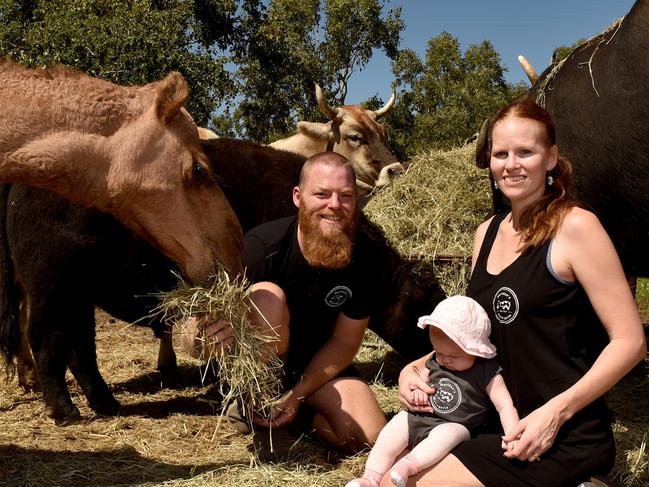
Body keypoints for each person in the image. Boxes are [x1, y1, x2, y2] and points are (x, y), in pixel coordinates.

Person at [390, 97, 646, 487]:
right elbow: (479, 332)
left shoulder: (577, 227)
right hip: (491, 419)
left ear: (551, 157)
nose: (511, 164)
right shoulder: (485, 233)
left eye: (526, 151)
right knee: (392, 469)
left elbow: (629, 342)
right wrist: (417, 367)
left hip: (560, 434)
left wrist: (555, 414)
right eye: (501, 153)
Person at [236, 151, 386, 454]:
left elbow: (345, 341)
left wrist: (298, 394)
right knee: (268, 296)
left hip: (317, 371)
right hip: (263, 368)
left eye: (346, 195)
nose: (335, 205)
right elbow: (211, 331)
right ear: (298, 196)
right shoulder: (260, 248)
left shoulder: (367, 257)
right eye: (322, 194)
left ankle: (298, 415)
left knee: (368, 437)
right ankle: (255, 405)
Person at [346, 295, 519, 487]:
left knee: (448, 434)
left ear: (475, 349)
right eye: (439, 352)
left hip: (456, 424)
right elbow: (419, 380)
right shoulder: (436, 361)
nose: (444, 360)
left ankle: (407, 466)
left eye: (453, 355)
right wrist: (416, 392)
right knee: (392, 430)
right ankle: (370, 477)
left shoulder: (487, 371)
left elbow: (505, 406)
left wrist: (512, 435)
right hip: (421, 417)